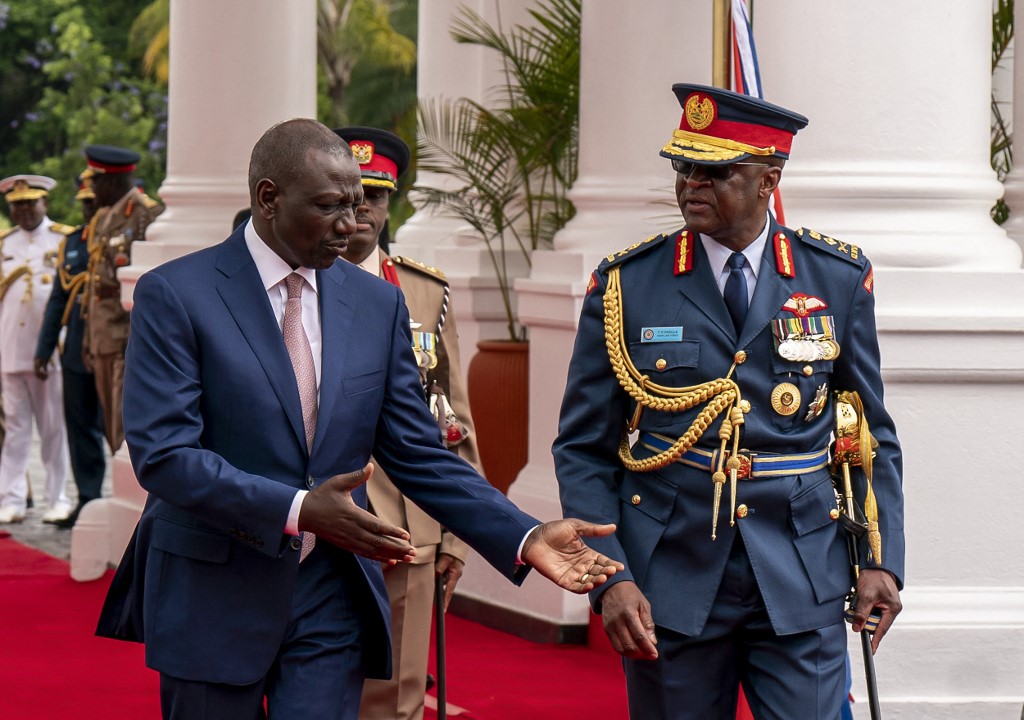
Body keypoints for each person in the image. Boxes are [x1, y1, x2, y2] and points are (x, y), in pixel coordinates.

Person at [96, 118, 622, 720]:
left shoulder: (377, 301)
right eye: (329, 207)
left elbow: (418, 454)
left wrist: (524, 536)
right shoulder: (176, 294)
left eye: (356, 204)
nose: (352, 225)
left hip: (332, 593)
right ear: (269, 199)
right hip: (213, 588)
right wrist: (297, 510)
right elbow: (165, 456)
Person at [552, 84, 906, 719]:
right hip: (671, 576)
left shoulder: (836, 278)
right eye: (683, 167)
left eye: (715, 171)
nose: (691, 184)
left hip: (802, 568)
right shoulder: (625, 285)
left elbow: (868, 434)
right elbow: (582, 448)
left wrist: (882, 561)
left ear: (769, 178)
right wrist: (611, 576)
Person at [334, 126, 472, 720]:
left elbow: (453, 418)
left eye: (375, 194)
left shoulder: (424, 292)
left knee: (397, 701)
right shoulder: (283, 286)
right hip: (311, 515)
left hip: (406, 521)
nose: (361, 209)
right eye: (347, 193)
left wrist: (457, 533)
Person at [33, 173, 107, 529]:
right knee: (80, 427)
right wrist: (44, 349)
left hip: (114, 349)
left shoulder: (121, 238)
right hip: (77, 347)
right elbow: (57, 299)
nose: (90, 208)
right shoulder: (72, 243)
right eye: (86, 204)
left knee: (120, 428)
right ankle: (89, 499)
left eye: (95, 202)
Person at [82, 144, 164, 454]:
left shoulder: (145, 216)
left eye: (96, 181)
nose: (91, 189)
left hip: (124, 335)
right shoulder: (104, 216)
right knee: (110, 424)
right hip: (104, 332)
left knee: (124, 424)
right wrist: (89, 339)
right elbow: (95, 280)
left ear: (113, 182)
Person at [0, 175, 73, 524]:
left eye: (30, 202)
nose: (24, 210)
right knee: (15, 429)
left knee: (52, 429)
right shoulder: (4, 243)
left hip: (49, 353)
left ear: (44, 203)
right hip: (10, 349)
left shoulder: (63, 239)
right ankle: (11, 499)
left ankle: (57, 498)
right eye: (17, 205)